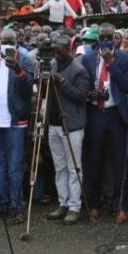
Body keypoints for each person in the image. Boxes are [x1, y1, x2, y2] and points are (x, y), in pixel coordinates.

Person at [0, 29, 36, 224]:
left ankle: (17, 207)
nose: (7, 44)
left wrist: (18, 70)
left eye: (10, 41)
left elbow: (28, 88)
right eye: (4, 41)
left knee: (14, 168)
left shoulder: (26, 60)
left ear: (17, 41)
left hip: (15, 123)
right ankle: (0, 204)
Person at [81, 23, 128, 223]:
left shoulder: (125, 58)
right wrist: (90, 94)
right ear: (97, 39)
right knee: (94, 161)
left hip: (115, 115)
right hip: (95, 114)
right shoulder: (87, 59)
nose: (105, 40)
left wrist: (111, 63)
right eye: (102, 37)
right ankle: (95, 204)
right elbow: (83, 86)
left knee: (119, 163)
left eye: (109, 37)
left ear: (116, 38)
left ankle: (121, 205)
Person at [44, 34, 90, 224]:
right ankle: (62, 202)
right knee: (60, 166)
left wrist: (62, 81)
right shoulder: (53, 64)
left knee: (74, 167)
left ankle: (74, 206)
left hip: (71, 125)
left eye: (60, 51)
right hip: (54, 123)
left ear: (69, 50)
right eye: (55, 50)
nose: (56, 54)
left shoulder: (79, 70)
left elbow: (81, 95)